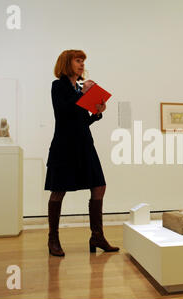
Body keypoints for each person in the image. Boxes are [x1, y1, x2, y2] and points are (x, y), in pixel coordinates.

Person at [45, 49, 119, 257]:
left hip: (85, 145)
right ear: (67, 63)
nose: (81, 65)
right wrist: (83, 94)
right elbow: (63, 112)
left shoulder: (78, 89)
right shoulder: (58, 86)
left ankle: (97, 236)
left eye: (83, 61)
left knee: (99, 186)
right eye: (78, 61)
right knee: (58, 190)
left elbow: (81, 119)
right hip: (64, 146)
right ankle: (53, 239)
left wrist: (96, 112)